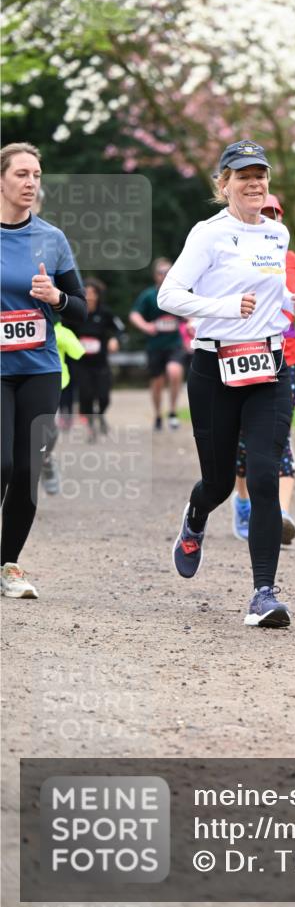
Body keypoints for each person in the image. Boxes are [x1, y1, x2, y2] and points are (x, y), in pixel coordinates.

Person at [157, 140, 295, 627]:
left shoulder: (277, 235)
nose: (254, 183)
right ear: (223, 184)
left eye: (260, 174)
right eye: (242, 175)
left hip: (269, 367)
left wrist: (294, 303)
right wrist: (224, 309)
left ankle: (263, 593)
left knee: (265, 476)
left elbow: (273, 292)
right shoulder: (207, 235)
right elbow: (170, 295)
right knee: (221, 481)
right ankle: (197, 513)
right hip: (214, 368)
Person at [1, 142, 86, 598]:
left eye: (36, 174)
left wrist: (56, 299)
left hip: (39, 366)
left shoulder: (51, 239)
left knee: (27, 468)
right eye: (21, 174)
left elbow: (83, 311)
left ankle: (8, 564)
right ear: (1, 180)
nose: (31, 182)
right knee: (2, 461)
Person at [232, 192, 295, 546]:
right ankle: (243, 502)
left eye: (274, 212)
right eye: (263, 212)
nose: (268, 217)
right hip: (241, 354)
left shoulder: (289, 256)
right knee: (243, 440)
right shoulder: (229, 250)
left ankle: (281, 515)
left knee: (280, 436)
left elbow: (290, 301)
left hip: (286, 357)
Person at [129, 258, 185, 431]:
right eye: (161, 272)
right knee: (158, 382)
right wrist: (145, 326)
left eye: (168, 272)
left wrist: (192, 324)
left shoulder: (179, 293)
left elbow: (191, 313)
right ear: (155, 275)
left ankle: (173, 412)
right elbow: (134, 314)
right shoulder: (148, 296)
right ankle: (158, 414)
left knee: (174, 372)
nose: (165, 275)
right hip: (155, 346)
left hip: (175, 344)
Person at [75, 278, 124, 440]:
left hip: (101, 363)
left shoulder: (105, 313)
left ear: (98, 295)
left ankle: (100, 414)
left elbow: (120, 329)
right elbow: (63, 331)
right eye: (86, 293)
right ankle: (90, 427)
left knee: (104, 397)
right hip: (82, 364)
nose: (89, 296)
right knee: (86, 396)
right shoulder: (75, 313)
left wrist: (115, 339)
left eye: (92, 293)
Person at [41, 321, 86, 495]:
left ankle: (46, 460)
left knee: (48, 431)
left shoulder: (59, 331)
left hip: (51, 385)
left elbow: (79, 352)